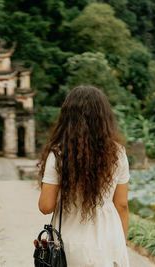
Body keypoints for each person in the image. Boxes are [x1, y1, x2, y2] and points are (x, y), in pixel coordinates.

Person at [38, 85, 130, 267]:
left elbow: (46, 206)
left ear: (66, 117)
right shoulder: (118, 153)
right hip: (110, 241)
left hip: (69, 246)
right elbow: (122, 205)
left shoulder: (58, 155)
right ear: (104, 118)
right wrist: (121, 243)